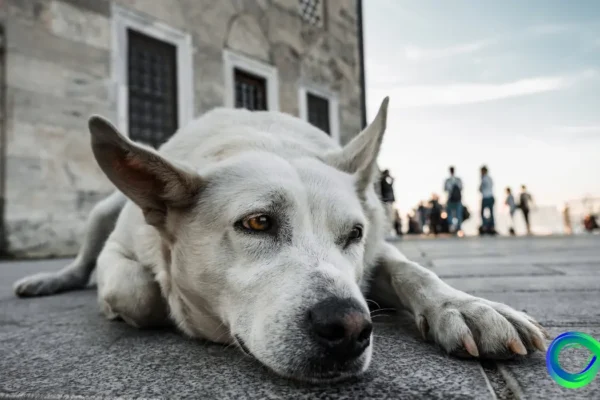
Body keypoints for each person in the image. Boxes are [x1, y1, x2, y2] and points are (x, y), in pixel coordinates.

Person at [444, 166, 463, 234]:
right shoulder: (458, 180)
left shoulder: (448, 180)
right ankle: (458, 228)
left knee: (450, 214)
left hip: (451, 199)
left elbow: (445, 189)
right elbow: (461, 188)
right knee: (458, 214)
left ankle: (452, 227)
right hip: (457, 200)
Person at [479, 165, 496, 234]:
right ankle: (491, 226)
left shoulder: (484, 178)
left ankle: (485, 226)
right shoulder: (490, 178)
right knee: (491, 213)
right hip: (491, 196)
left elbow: (481, 189)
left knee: (482, 212)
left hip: (486, 197)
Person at [379, 170, 396, 235]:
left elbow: (391, 184)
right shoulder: (383, 181)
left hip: (389, 201)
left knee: (390, 216)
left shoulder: (385, 182)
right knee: (388, 216)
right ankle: (387, 231)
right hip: (386, 201)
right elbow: (386, 187)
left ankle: (389, 230)